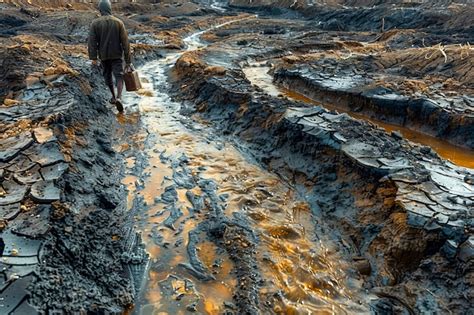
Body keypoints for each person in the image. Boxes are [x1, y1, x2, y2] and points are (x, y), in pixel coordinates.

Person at [88, 0, 131, 112]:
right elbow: (125, 43)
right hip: (117, 55)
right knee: (119, 76)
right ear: (110, 8)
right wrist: (128, 61)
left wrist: (93, 58)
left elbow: (92, 42)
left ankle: (113, 96)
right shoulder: (118, 22)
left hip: (103, 56)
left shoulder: (95, 23)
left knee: (107, 77)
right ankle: (119, 97)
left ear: (100, 9)